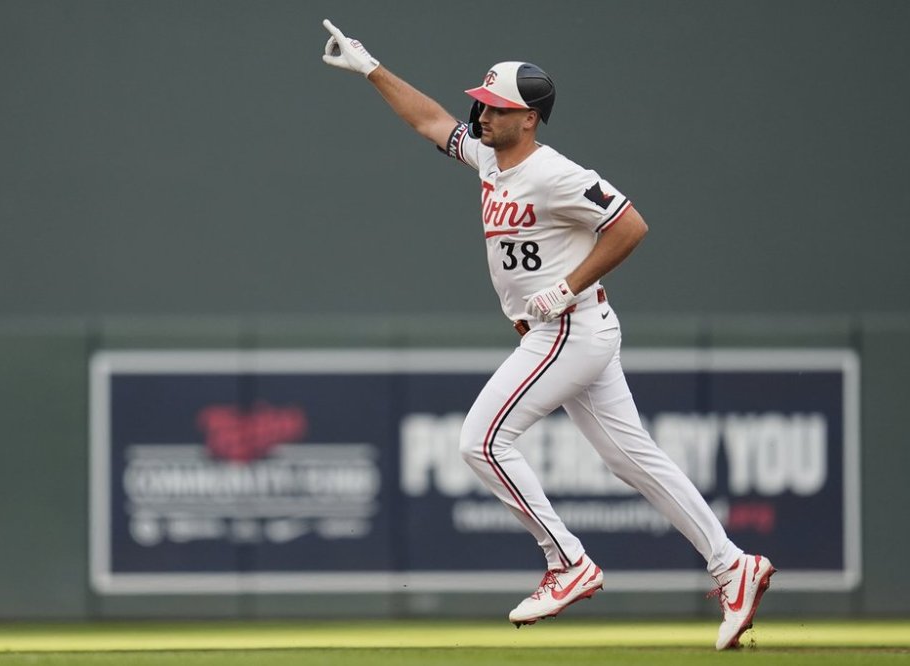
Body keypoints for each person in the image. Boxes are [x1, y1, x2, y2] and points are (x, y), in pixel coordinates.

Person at [320, 19, 775, 650]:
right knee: (630, 458)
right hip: (571, 329)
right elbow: (429, 121)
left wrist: (565, 288)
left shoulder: (555, 172)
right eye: (480, 104)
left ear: (528, 118)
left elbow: (630, 225)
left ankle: (568, 563)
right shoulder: (489, 157)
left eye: (495, 108)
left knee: (481, 441)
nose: (480, 113)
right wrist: (371, 67)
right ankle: (733, 565)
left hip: (566, 328)